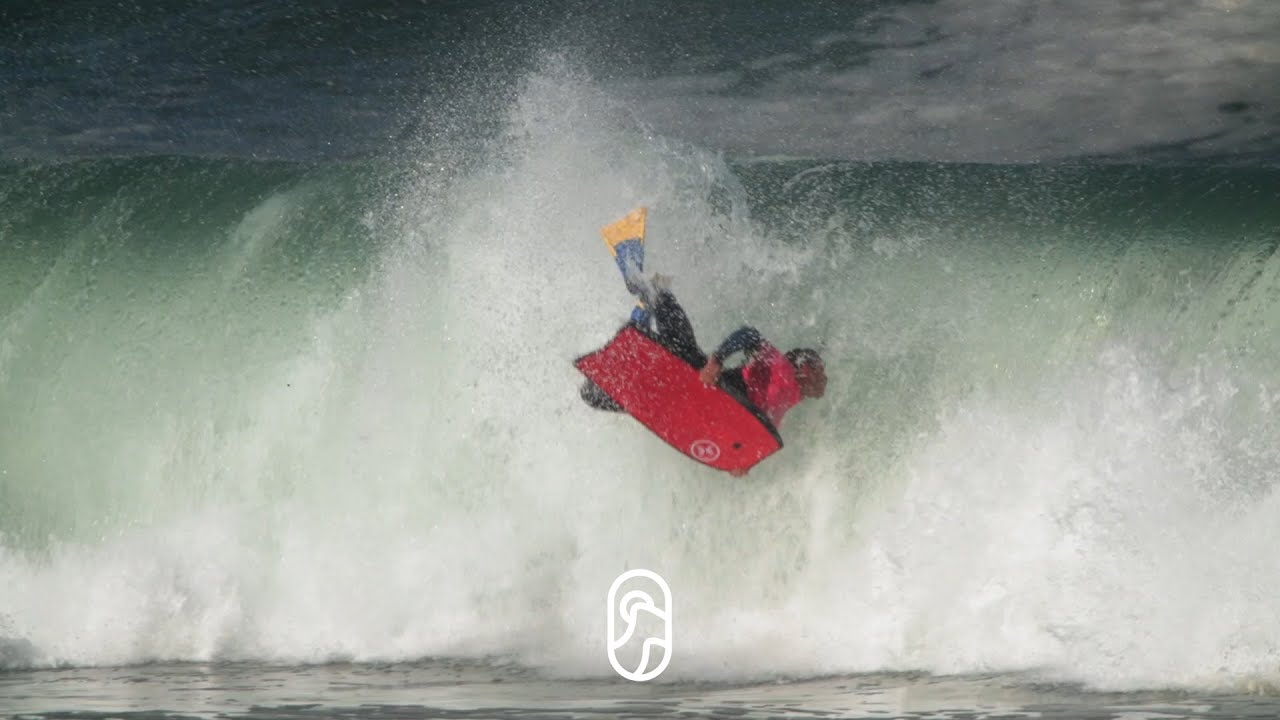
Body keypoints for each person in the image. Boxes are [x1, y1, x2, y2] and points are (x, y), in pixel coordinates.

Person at [580, 272, 826, 474]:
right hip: (703, 380)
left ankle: (598, 382)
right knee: (680, 347)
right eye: (820, 371)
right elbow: (748, 335)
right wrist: (717, 360)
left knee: (599, 397)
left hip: (694, 400)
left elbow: (751, 427)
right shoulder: (780, 367)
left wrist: (741, 459)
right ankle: (650, 287)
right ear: (804, 370)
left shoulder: (791, 398)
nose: (825, 379)